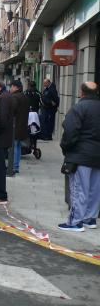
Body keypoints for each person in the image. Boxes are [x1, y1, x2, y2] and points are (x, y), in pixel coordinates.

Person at [59, 82, 100, 231]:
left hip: (80, 155)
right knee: (95, 189)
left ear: (81, 92)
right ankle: (90, 219)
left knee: (79, 189)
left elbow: (69, 132)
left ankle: (75, 221)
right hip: (97, 156)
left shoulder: (79, 108)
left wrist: (66, 148)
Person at [9, 80, 29, 176]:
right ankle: (16, 166)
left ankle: (14, 167)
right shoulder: (24, 96)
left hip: (15, 126)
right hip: (22, 125)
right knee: (18, 146)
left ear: (16, 87)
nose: (10, 88)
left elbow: (12, 111)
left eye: (11, 86)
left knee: (14, 147)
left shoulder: (15, 97)